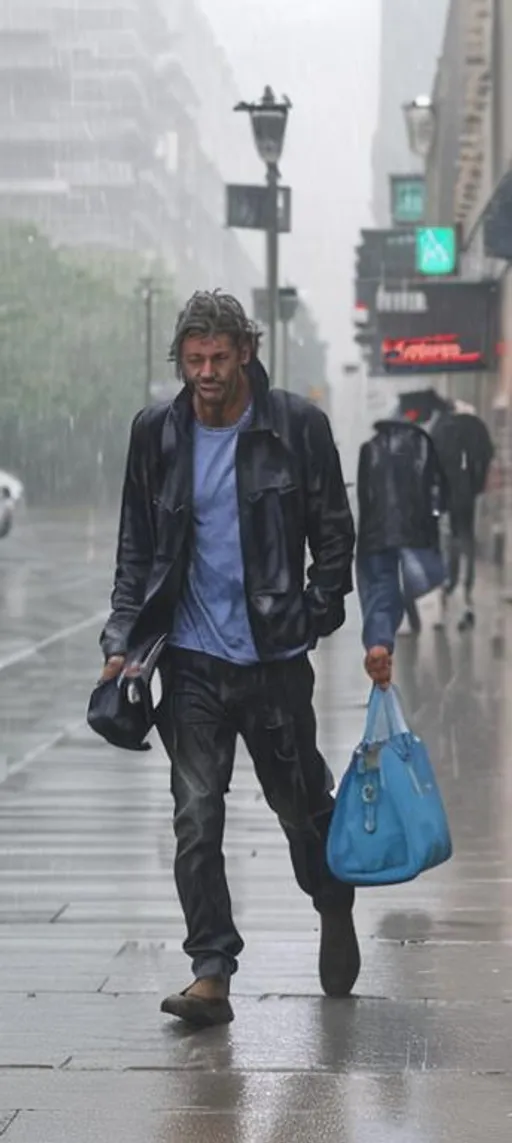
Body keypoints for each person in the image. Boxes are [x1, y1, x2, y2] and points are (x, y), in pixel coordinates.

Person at [100, 290, 357, 1027]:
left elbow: (334, 534)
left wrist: (315, 611)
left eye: (218, 357)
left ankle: (331, 899)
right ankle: (210, 968)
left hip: (275, 661)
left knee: (301, 809)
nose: (206, 372)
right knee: (196, 814)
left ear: (246, 350)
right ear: (180, 358)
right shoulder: (157, 432)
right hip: (190, 662)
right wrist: (122, 640)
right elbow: (136, 548)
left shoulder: (297, 428)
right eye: (193, 358)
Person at [357, 416, 445, 690]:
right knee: (417, 577)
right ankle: (411, 616)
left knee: (382, 588)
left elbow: (365, 496)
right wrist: (433, 524)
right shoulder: (421, 446)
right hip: (414, 532)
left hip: (376, 533)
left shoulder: (370, 448)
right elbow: (438, 489)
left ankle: (379, 641)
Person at [431, 409, 494, 632]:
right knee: (465, 541)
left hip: (448, 500)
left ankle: (450, 589)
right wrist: (476, 487)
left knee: (450, 543)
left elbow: (433, 467)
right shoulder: (475, 431)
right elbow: (486, 456)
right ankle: (466, 594)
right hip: (467, 498)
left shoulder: (441, 432)